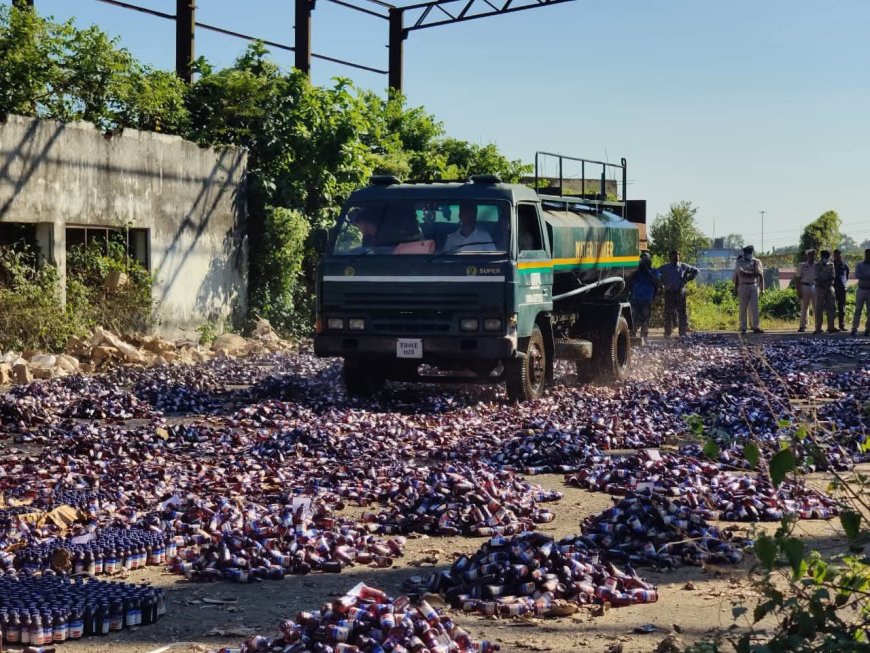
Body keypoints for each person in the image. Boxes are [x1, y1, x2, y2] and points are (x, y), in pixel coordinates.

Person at [657, 250, 699, 337]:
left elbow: (696, 271)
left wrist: (686, 279)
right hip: (669, 293)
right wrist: (663, 282)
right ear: (670, 257)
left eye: (677, 256)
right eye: (674, 256)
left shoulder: (683, 266)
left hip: (680, 292)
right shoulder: (665, 267)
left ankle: (682, 332)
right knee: (668, 313)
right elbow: (655, 273)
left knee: (682, 313)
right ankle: (668, 332)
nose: (676, 258)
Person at [629, 252, 660, 343]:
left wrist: (646, 269)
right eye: (642, 260)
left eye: (645, 260)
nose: (643, 262)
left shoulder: (654, 271)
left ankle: (644, 335)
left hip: (647, 298)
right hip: (635, 297)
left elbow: (656, 281)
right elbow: (630, 279)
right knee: (633, 317)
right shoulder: (637, 271)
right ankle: (633, 333)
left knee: (645, 317)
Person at [733, 245, 765, 334]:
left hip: (754, 285)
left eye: (749, 252)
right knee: (743, 307)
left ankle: (755, 326)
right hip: (743, 286)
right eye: (746, 252)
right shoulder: (739, 262)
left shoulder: (756, 262)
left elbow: (759, 274)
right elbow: (738, 276)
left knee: (754, 307)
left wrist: (762, 289)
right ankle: (743, 327)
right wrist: (736, 287)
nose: (747, 254)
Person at [813, 249, 837, 334]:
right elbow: (816, 277)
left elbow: (832, 276)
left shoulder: (831, 265)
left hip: (829, 287)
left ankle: (831, 327)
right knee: (819, 308)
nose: (826, 258)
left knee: (831, 308)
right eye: (824, 256)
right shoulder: (816, 265)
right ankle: (818, 328)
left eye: (827, 256)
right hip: (819, 288)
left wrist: (827, 285)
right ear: (821, 256)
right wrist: (823, 285)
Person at [796, 249, 816, 332]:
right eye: (810, 255)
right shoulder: (802, 265)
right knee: (804, 307)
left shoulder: (817, 265)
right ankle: (802, 326)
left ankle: (818, 325)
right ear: (807, 256)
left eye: (813, 255)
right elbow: (798, 278)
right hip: (805, 286)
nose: (811, 256)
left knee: (816, 307)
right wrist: (798, 290)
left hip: (815, 286)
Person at [852, 248, 870, 336]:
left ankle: (868, 329)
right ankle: (854, 328)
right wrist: (867, 276)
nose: (868, 255)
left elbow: (861, 275)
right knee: (858, 309)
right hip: (861, 289)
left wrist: (864, 275)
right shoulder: (860, 264)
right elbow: (857, 275)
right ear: (865, 254)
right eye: (867, 254)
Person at [832, 249, 850, 332]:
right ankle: (832, 326)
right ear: (834, 255)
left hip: (842, 288)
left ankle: (841, 325)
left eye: (838, 254)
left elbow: (847, 275)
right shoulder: (831, 264)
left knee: (842, 307)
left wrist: (844, 284)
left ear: (840, 255)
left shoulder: (844, 264)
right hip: (833, 287)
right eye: (836, 254)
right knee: (832, 307)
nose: (837, 256)